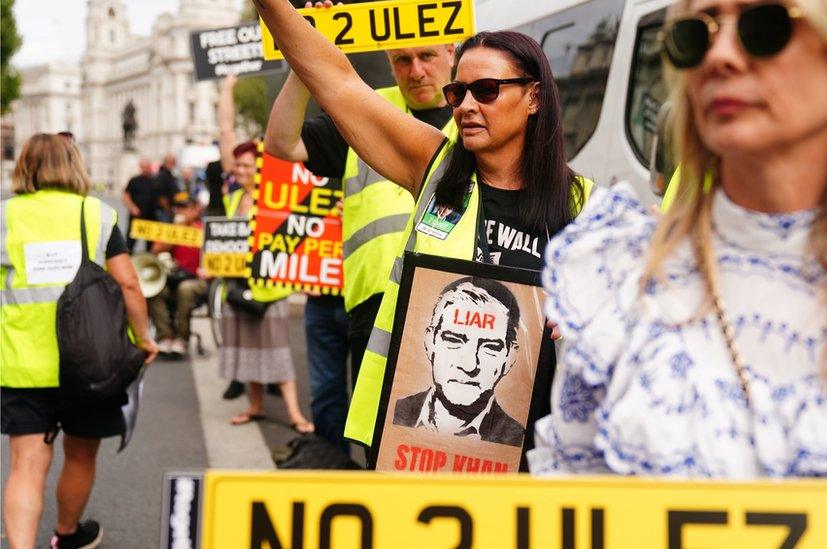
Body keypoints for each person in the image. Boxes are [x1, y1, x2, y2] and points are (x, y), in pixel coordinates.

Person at [529, 1, 827, 547]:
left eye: (766, 28)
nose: (721, 55)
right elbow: (572, 515)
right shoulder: (613, 273)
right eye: (695, 35)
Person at [253, 0, 595, 460]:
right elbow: (336, 81)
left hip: (533, 450)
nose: (467, 106)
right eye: (459, 94)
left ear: (534, 97)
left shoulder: (586, 205)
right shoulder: (436, 169)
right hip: (414, 443)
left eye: (487, 90)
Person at [264, 15, 457, 450]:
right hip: (375, 311)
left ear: (451, 53)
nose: (416, 70)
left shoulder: (477, 115)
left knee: (450, 446)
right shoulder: (368, 112)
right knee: (381, 446)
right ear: (389, 64)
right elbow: (280, 143)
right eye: (402, 59)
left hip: (455, 308)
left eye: (427, 55)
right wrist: (304, 57)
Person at [1, 133, 159, 549]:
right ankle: (67, 536)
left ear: (25, 166)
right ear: (74, 164)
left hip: (22, 362)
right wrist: (145, 339)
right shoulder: (96, 214)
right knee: (80, 454)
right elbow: (128, 285)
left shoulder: (6, 216)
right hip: (92, 360)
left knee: (26, 465)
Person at [216, 75, 314, 433]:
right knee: (247, 352)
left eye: (248, 165)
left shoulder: (276, 198)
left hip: (268, 287)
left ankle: (294, 414)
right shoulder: (231, 197)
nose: (241, 170)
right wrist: (226, 89)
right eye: (238, 166)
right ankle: (256, 405)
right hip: (237, 286)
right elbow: (227, 135)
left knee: (276, 354)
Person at [392, 277, 524, 447]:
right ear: (429, 342)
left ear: (510, 357)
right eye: (454, 340)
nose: (469, 365)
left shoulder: (516, 440)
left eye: (489, 347)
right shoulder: (395, 413)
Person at [146, 191, 207, 358]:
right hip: (173, 276)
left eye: (185, 207)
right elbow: (155, 251)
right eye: (177, 208)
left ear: (196, 209)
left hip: (197, 279)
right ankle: (165, 336)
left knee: (185, 290)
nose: (180, 212)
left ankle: (182, 337)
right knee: (154, 290)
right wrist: (176, 232)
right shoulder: (171, 230)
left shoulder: (204, 230)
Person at [121, 158, 159, 250]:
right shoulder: (134, 180)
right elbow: (125, 197)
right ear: (140, 167)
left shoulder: (155, 181)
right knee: (130, 243)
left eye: (147, 167)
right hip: (136, 217)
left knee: (150, 245)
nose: (146, 169)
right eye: (144, 167)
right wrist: (132, 208)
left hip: (151, 218)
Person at [155, 153, 181, 220]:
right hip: (164, 211)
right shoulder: (162, 176)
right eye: (170, 162)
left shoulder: (171, 176)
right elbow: (161, 196)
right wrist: (168, 210)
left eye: (173, 162)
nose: (172, 164)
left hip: (170, 209)